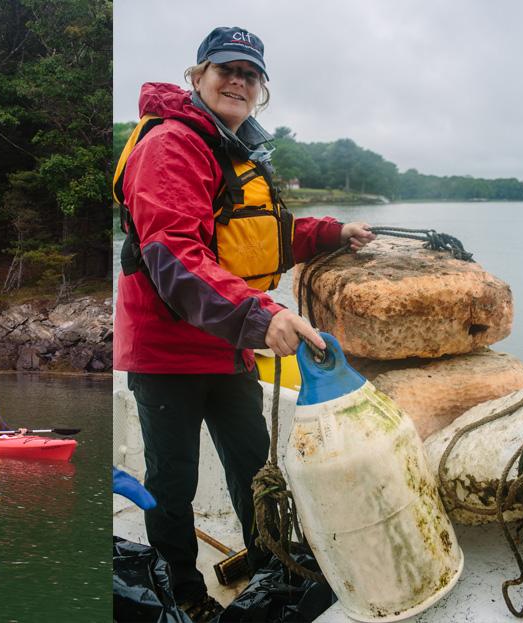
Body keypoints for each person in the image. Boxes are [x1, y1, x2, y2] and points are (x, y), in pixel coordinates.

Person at [113, 26, 375, 621]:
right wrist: (261, 314)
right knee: (172, 484)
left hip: (227, 346)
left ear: (260, 89)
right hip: (169, 353)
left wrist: (331, 233)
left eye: (250, 74)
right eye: (226, 69)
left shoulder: (231, 148)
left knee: (255, 468)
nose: (238, 80)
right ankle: (183, 591)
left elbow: (257, 240)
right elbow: (174, 253)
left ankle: (271, 570)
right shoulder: (174, 144)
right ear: (197, 75)